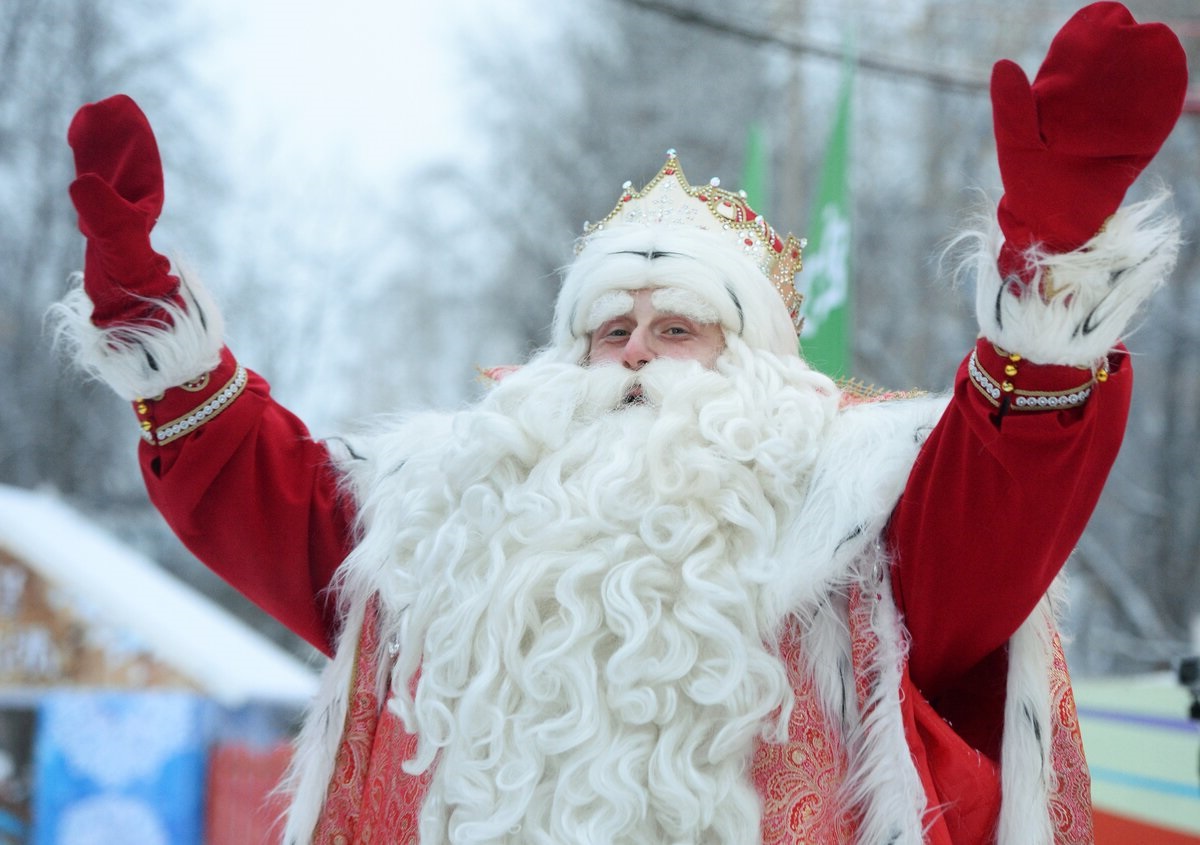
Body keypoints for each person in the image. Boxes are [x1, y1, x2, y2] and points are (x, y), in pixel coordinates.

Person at [51, 4, 1188, 843]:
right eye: (609, 328)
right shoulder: (456, 511)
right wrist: (152, 320)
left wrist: (1051, 278)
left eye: (680, 325)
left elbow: (1004, 495)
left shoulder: (852, 516)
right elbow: (270, 495)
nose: (635, 349)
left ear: (755, 362)